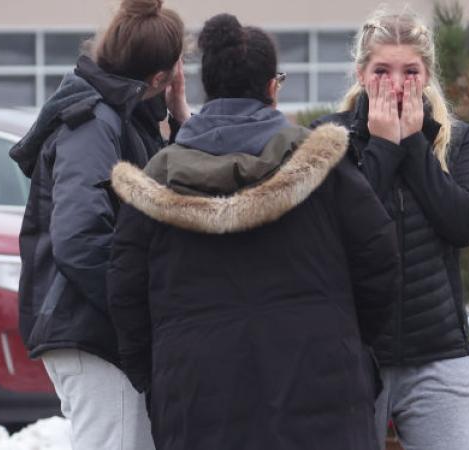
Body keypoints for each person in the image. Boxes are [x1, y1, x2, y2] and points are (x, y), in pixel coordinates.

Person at [106, 13, 401, 450]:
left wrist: (158, 374)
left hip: (195, 400)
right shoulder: (325, 172)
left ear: (208, 86)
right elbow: (381, 264)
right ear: (271, 87)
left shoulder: (156, 185)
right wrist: (353, 349)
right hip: (322, 392)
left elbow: (125, 295)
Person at [9, 0, 189, 448]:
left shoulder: (123, 118)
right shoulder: (93, 123)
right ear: (159, 78)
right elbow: (78, 236)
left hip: (97, 330)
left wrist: (179, 118)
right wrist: (136, 309)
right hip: (92, 332)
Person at [311, 10, 469, 450]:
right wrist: (383, 148)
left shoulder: (457, 138)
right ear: (360, 73)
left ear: (427, 75)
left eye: (410, 71)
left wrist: (413, 145)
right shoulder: (326, 137)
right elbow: (333, 233)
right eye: (381, 71)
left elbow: (463, 224)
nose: (395, 84)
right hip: (351, 354)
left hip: (438, 353)